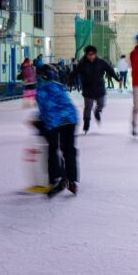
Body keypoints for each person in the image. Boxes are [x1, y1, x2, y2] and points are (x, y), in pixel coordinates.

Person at [35, 64, 80, 197]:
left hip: (55, 121)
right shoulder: (59, 85)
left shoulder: (40, 89)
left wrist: (40, 124)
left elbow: (44, 110)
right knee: (69, 149)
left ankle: (57, 178)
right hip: (71, 118)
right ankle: (72, 181)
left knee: (53, 148)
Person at [67, 45, 119, 134]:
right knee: (88, 107)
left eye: (92, 54)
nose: (91, 56)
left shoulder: (101, 62)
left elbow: (110, 70)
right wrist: (68, 80)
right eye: (89, 55)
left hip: (99, 89)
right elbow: (74, 73)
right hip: (88, 90)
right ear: (86, 55)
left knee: (101, 104)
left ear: (95, 54)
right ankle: (86, 124)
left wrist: (117, 78)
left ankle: (97, 111)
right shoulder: (82, 64)